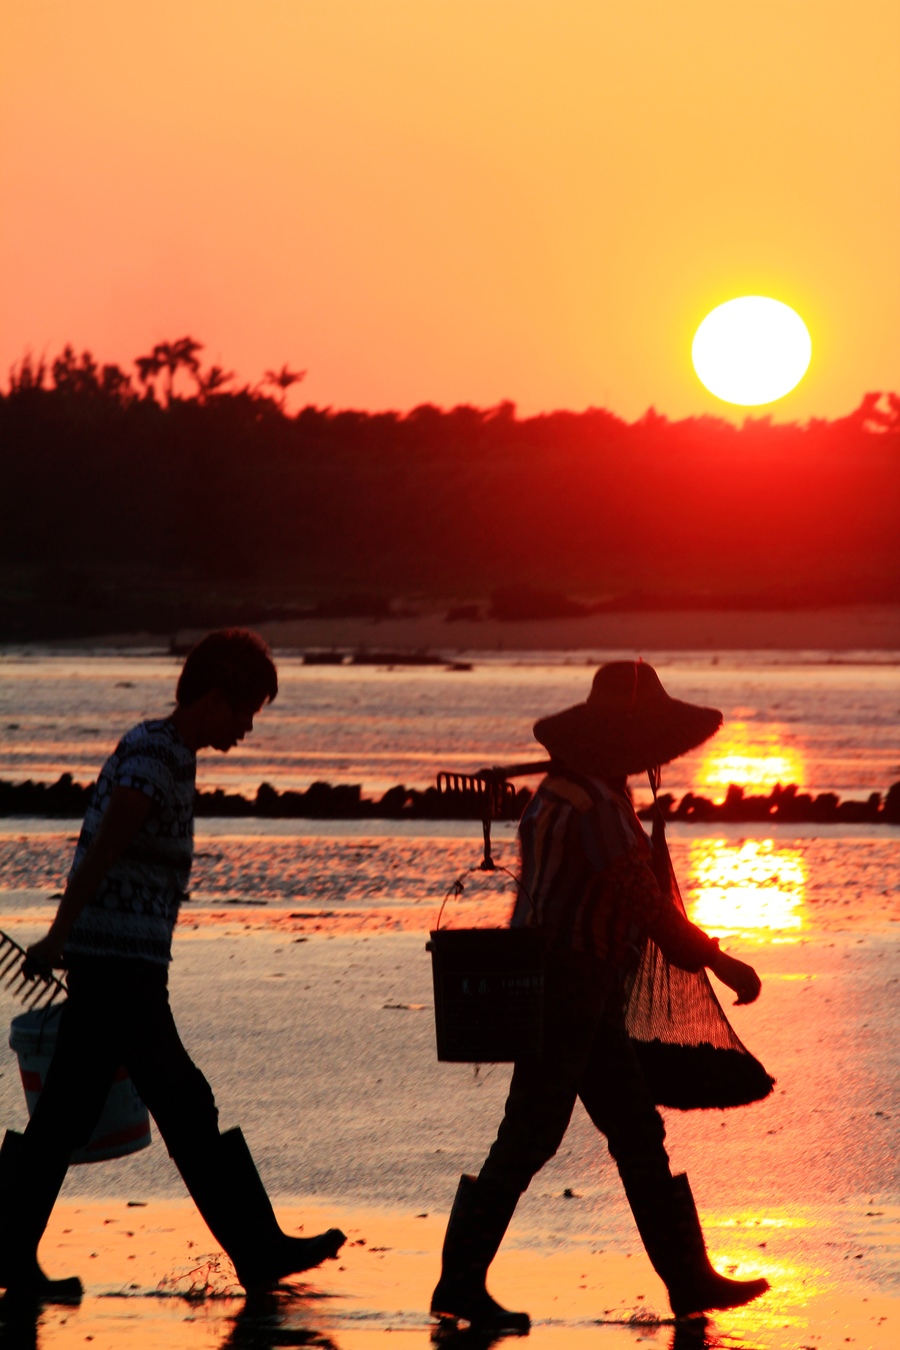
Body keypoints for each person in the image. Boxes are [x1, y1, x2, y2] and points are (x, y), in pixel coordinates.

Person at [1, 629, 345, 1303]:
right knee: (184, 1103)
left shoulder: (169, 753)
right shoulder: (155, 756)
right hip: (117, 965)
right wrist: (57, 936)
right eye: (246, 711)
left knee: (68, 1115)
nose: (248, 726)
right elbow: (104, 848)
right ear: (213, 699)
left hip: (122, 962)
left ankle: (9, 1254)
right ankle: (259, 1249)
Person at [431, 660, 770, 1332]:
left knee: (634, 1129)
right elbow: (647, 905)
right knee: (529, 1136)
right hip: (570, 986)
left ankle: (688, 1279)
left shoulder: (560, 795)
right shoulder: (596, 808)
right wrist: (723, 963)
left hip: (573, 988)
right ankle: (460, 1283)